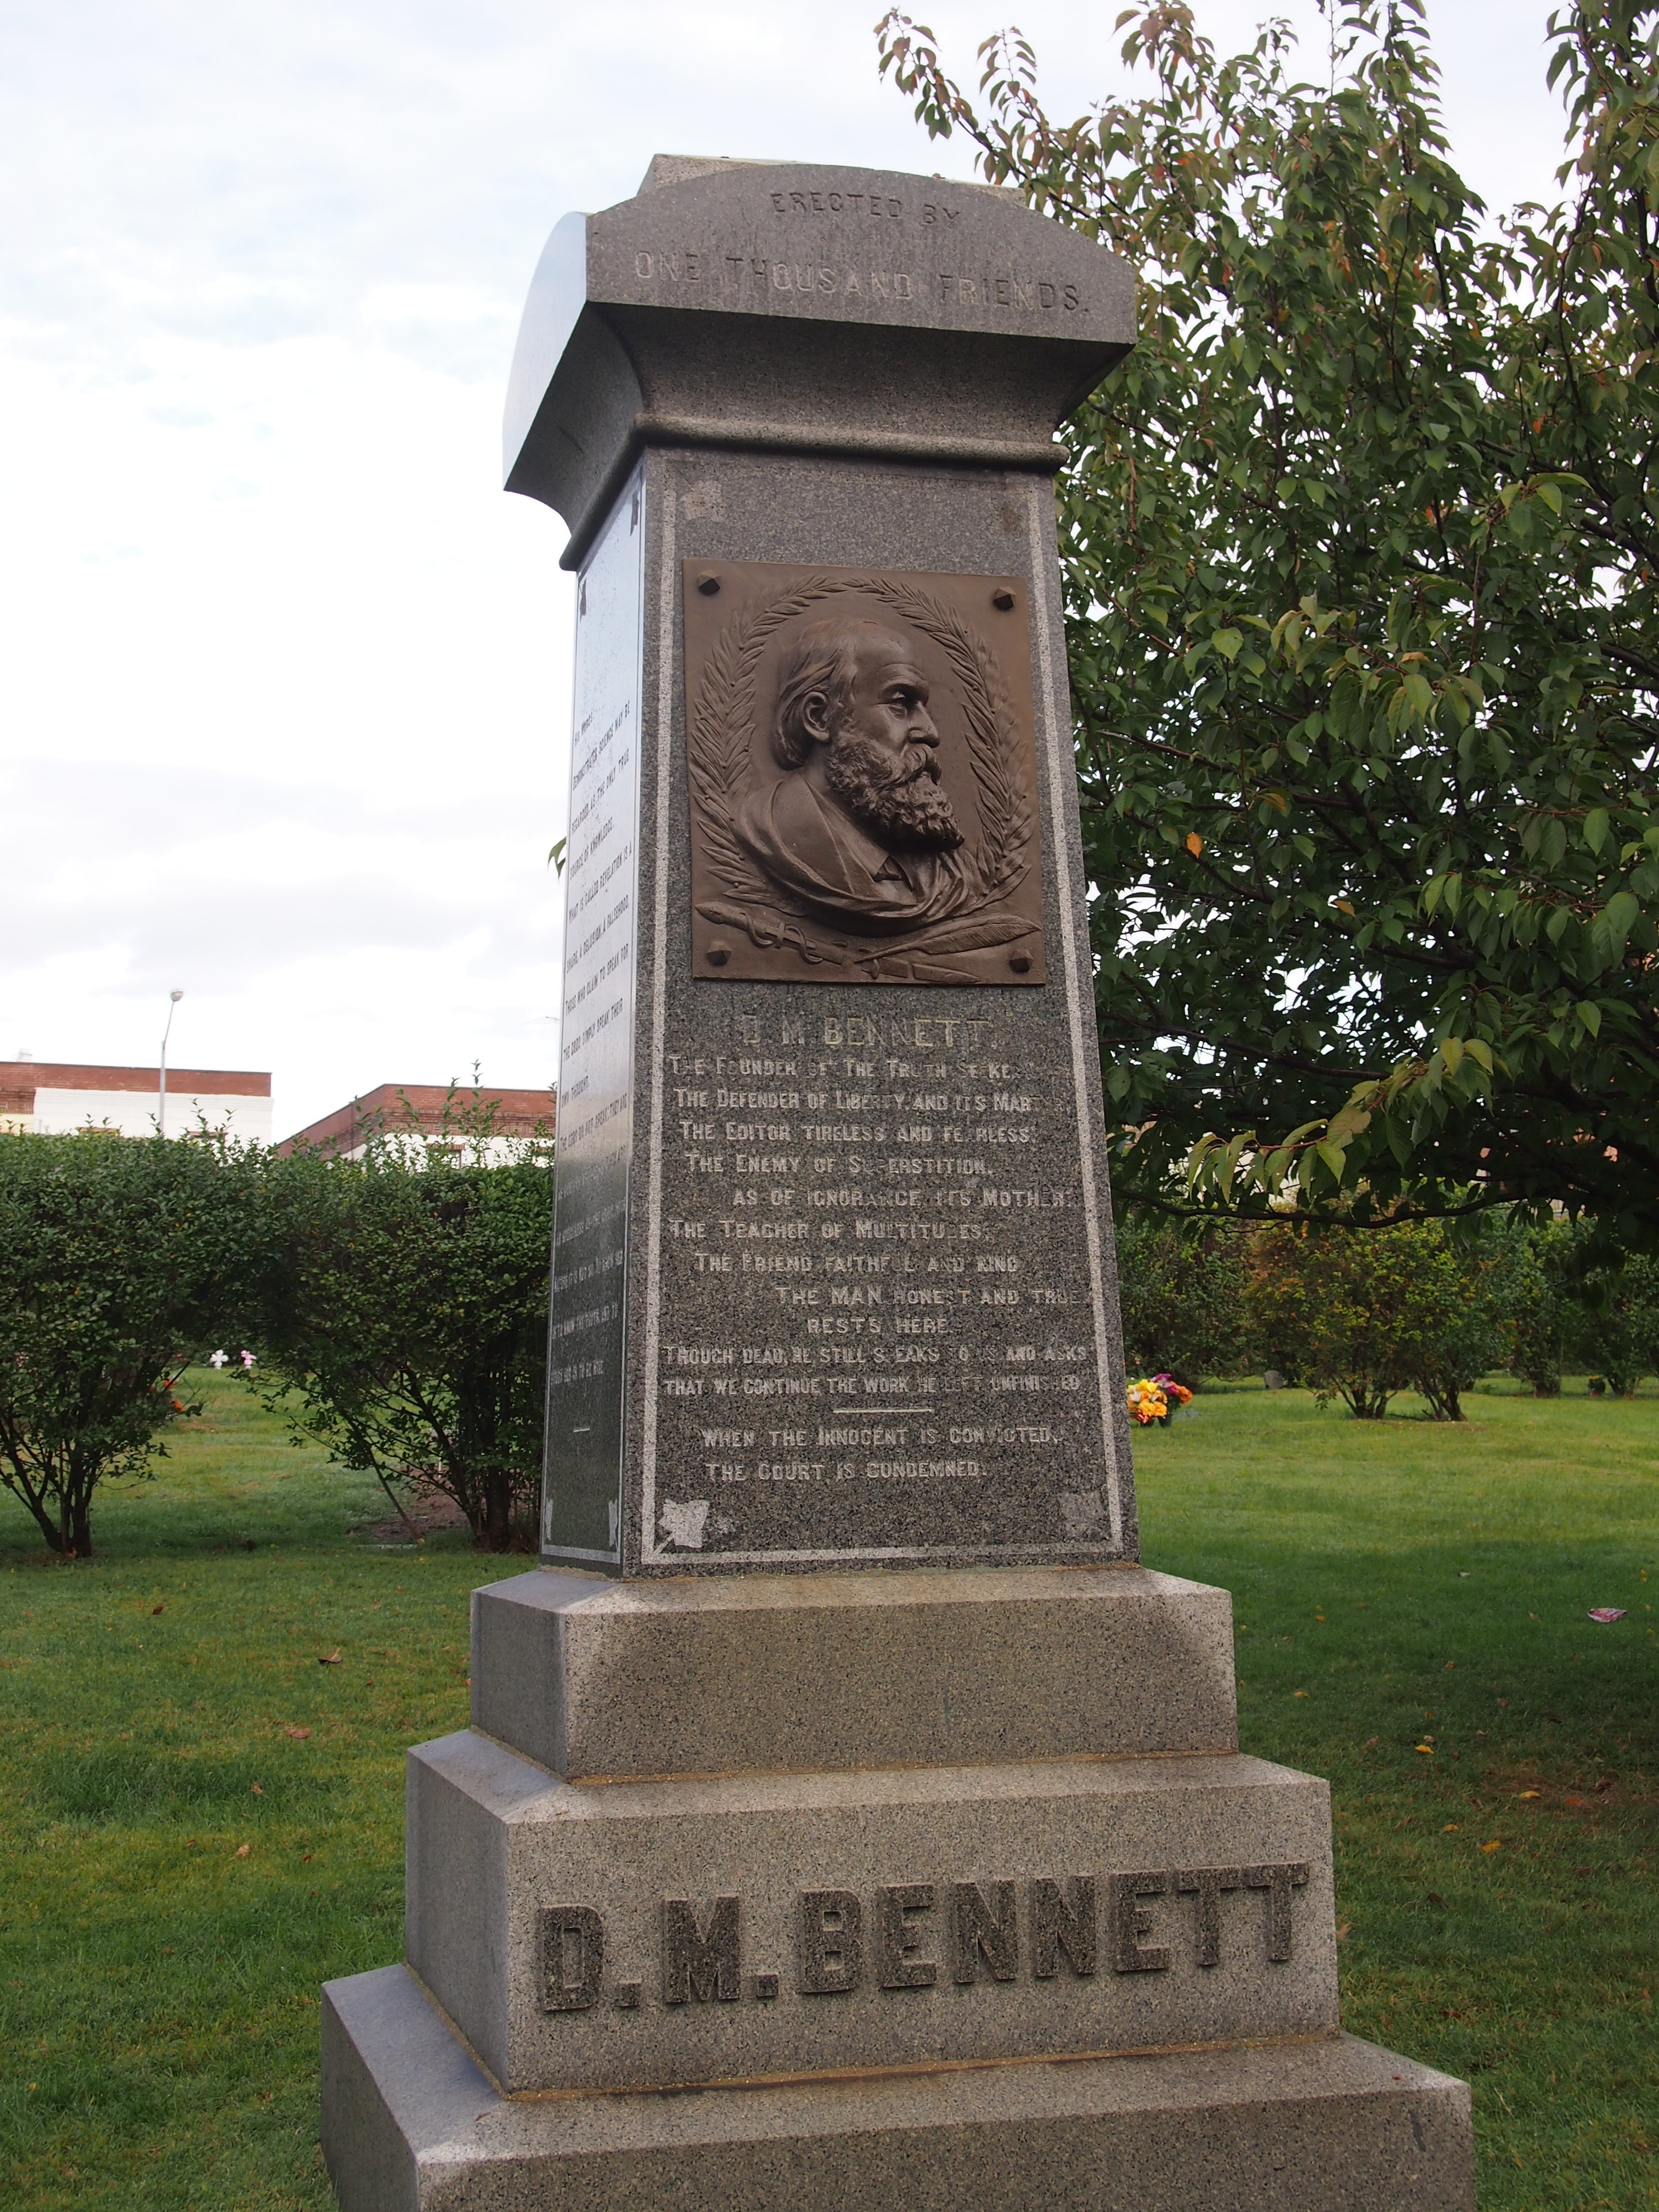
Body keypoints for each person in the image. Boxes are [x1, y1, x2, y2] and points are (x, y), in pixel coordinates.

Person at [734, 617, 983, 933]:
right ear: (820, 718)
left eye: (924, 708)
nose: (930, 733)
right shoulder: (766, 832)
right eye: (900, 703)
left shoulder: (954, 872)